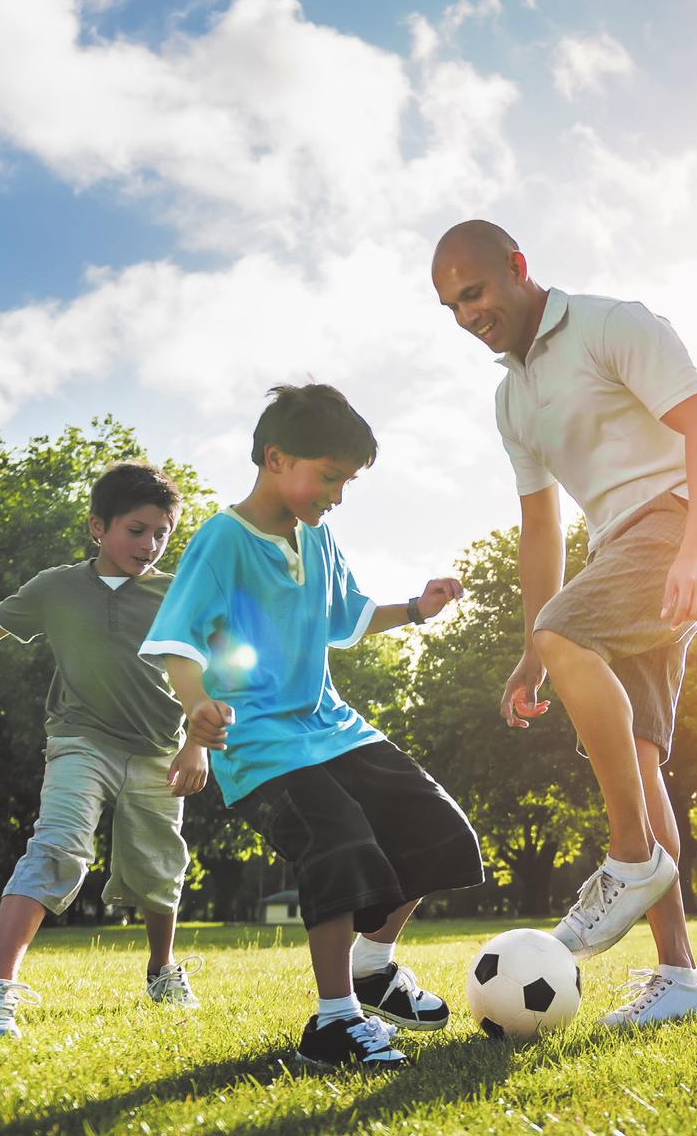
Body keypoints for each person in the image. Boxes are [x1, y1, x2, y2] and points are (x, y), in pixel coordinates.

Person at [431, 219, 697, 1027]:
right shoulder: (512, 399)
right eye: (450, 306)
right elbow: (542, 529)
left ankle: (632, 858)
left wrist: (693, 551)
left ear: (517, 267)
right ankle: (679, 977)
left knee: (569, 634)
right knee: (638, 755)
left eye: (473, 292)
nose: (467, 315)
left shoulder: (613, 324)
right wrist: (531, 652)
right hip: (621, 549)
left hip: (687, 520)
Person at [139, 384, 484, 1071]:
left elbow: (345, 617)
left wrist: (416, 608)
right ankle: (333, 1020)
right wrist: (195, 702)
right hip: (261, 742)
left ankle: (372, 967)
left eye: (347, 480)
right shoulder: (222, 541)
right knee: (340, 843)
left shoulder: (319, 536)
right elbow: (177, 638)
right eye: (330, 476)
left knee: (438, 827)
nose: (338, 494)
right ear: (275, 458)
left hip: (332, 725)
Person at [0, 462, 206, 1037]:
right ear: (99, 526)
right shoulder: (56, 587)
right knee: (58, 848)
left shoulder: (177, 595)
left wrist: (197, 744)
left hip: (158, 750)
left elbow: (204, 675)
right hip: (81, 741)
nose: (149, 545)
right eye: (136, 530)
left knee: (158, 869)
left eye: (162, 533)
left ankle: (162, 969)